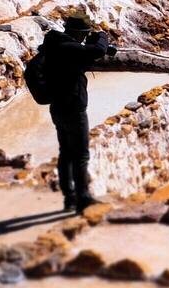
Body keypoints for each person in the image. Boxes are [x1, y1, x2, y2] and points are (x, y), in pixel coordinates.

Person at [37, 15, 117, 211]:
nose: (86, 36)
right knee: (81, 155)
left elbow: (88, 54)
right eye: (85, 33)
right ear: (78, 33)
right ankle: (83, 198)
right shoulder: (68, 48)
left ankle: (69, 197)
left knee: (66, 152)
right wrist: (102, 36)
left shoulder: (55, 45)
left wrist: (94, 44)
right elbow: (97, 50)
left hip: (58, 107)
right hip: (73, 109)